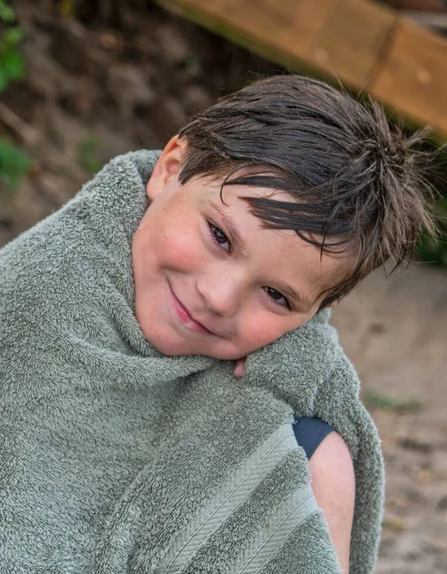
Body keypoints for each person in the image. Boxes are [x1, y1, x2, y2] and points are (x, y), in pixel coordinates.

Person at [0, 75, 434, 574]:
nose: (219, 297)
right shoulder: (29, 301)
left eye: (275, 295)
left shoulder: (302, 451)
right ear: (170, 169)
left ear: (310, 316)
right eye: (220, 237)